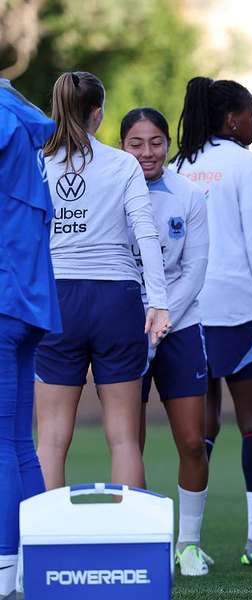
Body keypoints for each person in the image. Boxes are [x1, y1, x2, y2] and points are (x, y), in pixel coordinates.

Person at [172, 77, 252, 567]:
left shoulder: (179, 164)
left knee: (197, 430)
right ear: (231, 120)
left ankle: (188, 546)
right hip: (238, 310)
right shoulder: (247, 165)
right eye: (251, 113)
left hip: (190, 313)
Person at [35, 71, 170, 491]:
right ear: (98, 114)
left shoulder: (37, 161)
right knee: (125, 438)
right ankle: (131, 544)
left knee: (52, 440)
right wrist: (160, 302)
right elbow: (146, 233)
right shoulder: (123, 163)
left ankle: (45, 547)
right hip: (117, 299)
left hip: (57, 300)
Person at [120, 107, 213, 576]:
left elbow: (195, 268)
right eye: (136, 143)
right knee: (127, 442)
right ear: (122, 146)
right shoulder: (111, 190)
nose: (146, 152)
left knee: (193, 441)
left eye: (155, 142)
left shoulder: (188, 194)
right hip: (126, 329)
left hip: (180, 326)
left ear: (168, 145)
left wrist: (164, 316)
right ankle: (136, 541)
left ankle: (189, 544)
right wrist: (140, 320)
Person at [0, 78, 60, 596]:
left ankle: (3, 571)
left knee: (3, 443)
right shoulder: (22, 120)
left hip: (2, 298)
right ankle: (26, 567)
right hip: (29, 302)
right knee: (19, 443)